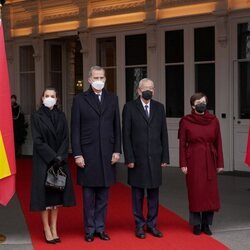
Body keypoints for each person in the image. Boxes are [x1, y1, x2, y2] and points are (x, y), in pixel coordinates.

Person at [71, 66, 121, 242]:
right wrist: (77, 154)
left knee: (103, 196)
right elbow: (75, 130)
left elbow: (117, 127)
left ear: (105, 79)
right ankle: (89, 229)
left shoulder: (112, 98)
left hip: (107, 154)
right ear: (89, 79)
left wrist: (117, 150)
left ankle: (100, 227)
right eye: (96, 77)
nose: (99, 80)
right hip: (88, 154)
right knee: (88, 196)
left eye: (102, 77)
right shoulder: (79, 100)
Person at [122, 78, 169, 239]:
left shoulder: (159, 107)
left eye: (152, 87)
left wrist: (165, 157)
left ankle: (152, 224)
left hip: (155, 157)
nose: (149, 90)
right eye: (146, 88)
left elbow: (164, 133)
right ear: (139, 90)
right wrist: (129, 158)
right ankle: (139, 225)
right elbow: (126, 135)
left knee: (154, 194)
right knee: (137, 195)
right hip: (137, 159)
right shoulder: (129, 107)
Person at [30, 87, 75, 244]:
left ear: (57, 99)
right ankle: (46, 228)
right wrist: (52, 157)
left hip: (59, 161)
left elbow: (65, 138)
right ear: (42, 98)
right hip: (44, 160)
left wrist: (60, 156)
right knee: (44, 197)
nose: (49, 98)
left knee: (55, 197)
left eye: (52, 96)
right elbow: (37, 141)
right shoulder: (36, 116)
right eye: (47, 96)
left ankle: (54, 227)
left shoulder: (61, 115)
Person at [178, 92, 224, 236]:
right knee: (196, 191)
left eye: (203, 101)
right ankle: (196, 224)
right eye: (198, 102)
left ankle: (206, 224)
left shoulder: (214, 120)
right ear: (193, 104)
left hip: (210, 158)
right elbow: (182, 144)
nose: (201, 104)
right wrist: (183, 163)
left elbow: (218, 142)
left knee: (210, 193)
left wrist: (220, 163)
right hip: (194, 159)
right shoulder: (186, 121)